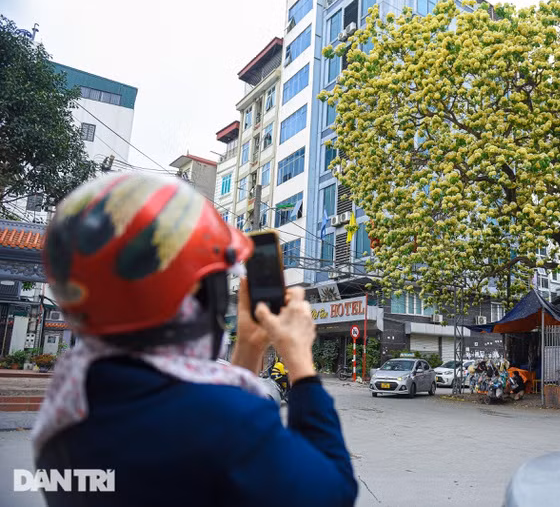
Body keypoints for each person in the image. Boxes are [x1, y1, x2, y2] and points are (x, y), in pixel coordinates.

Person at [32, 173, 358, 506]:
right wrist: (300, 361)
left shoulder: (68, 407)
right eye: (218, 278)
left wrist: (249, 345)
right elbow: (333, 492)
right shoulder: (226, 423)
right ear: (198, 296)